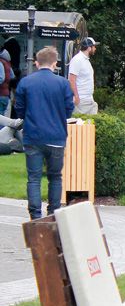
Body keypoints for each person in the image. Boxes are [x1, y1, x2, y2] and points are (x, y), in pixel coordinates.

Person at [14, 46, 74, 219]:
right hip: (56, 136)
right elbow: (68, 110)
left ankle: (35, 215)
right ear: (55, 63)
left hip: (33, 135)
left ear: (36, 63)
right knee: (55, 177)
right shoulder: (62, 83)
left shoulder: (26, 82)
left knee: (33, 177)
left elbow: (20, 109)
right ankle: (53, 214)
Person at [68, 37, 99, 114]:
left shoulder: (85, 60)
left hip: (88, 99)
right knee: (80, 124)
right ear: (89, 48)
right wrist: (76, 97)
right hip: (81, 100)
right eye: (94, 46)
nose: (95, 48)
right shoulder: (77, 60)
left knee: (90, 124)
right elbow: (72, 80)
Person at [0, 45, 13, 115]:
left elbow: (1, 78)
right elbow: (12, 76)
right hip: (5, 94)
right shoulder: (7, 63)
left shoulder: (0, 62)